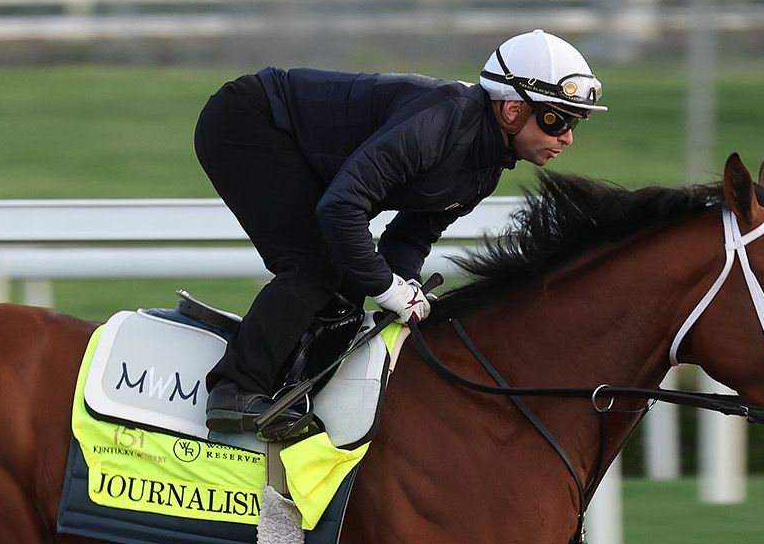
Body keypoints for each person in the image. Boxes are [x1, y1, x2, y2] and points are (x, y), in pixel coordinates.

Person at [196, 29, 607, 439]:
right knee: (315, 267)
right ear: (512, 109)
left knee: (345, 289)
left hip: (292, 148)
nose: (567, 137)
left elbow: (407, 240)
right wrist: (385, 286)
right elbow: (340, 208)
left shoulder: (485, 171)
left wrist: (403, 285)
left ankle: (291, 395)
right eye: (558, 119)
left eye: (574, 123)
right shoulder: (440, 122)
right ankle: (237, 390)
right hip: (248, 121)